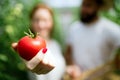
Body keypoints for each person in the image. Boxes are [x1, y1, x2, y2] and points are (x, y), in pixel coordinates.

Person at [65, 0, 120, 80]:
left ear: (98, 7)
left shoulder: (110, 29)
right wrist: (72, 67)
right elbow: (68, 54)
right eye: (83, 5)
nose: (83, 9)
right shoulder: (74, 29)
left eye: (88, 5)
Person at [12, 4, 66, 80]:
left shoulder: (56, 44)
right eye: (36, 20)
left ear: (52, 22)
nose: (41, 25)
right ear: (31, 22)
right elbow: (28, 64)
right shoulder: (25, 46)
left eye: (45, 20)